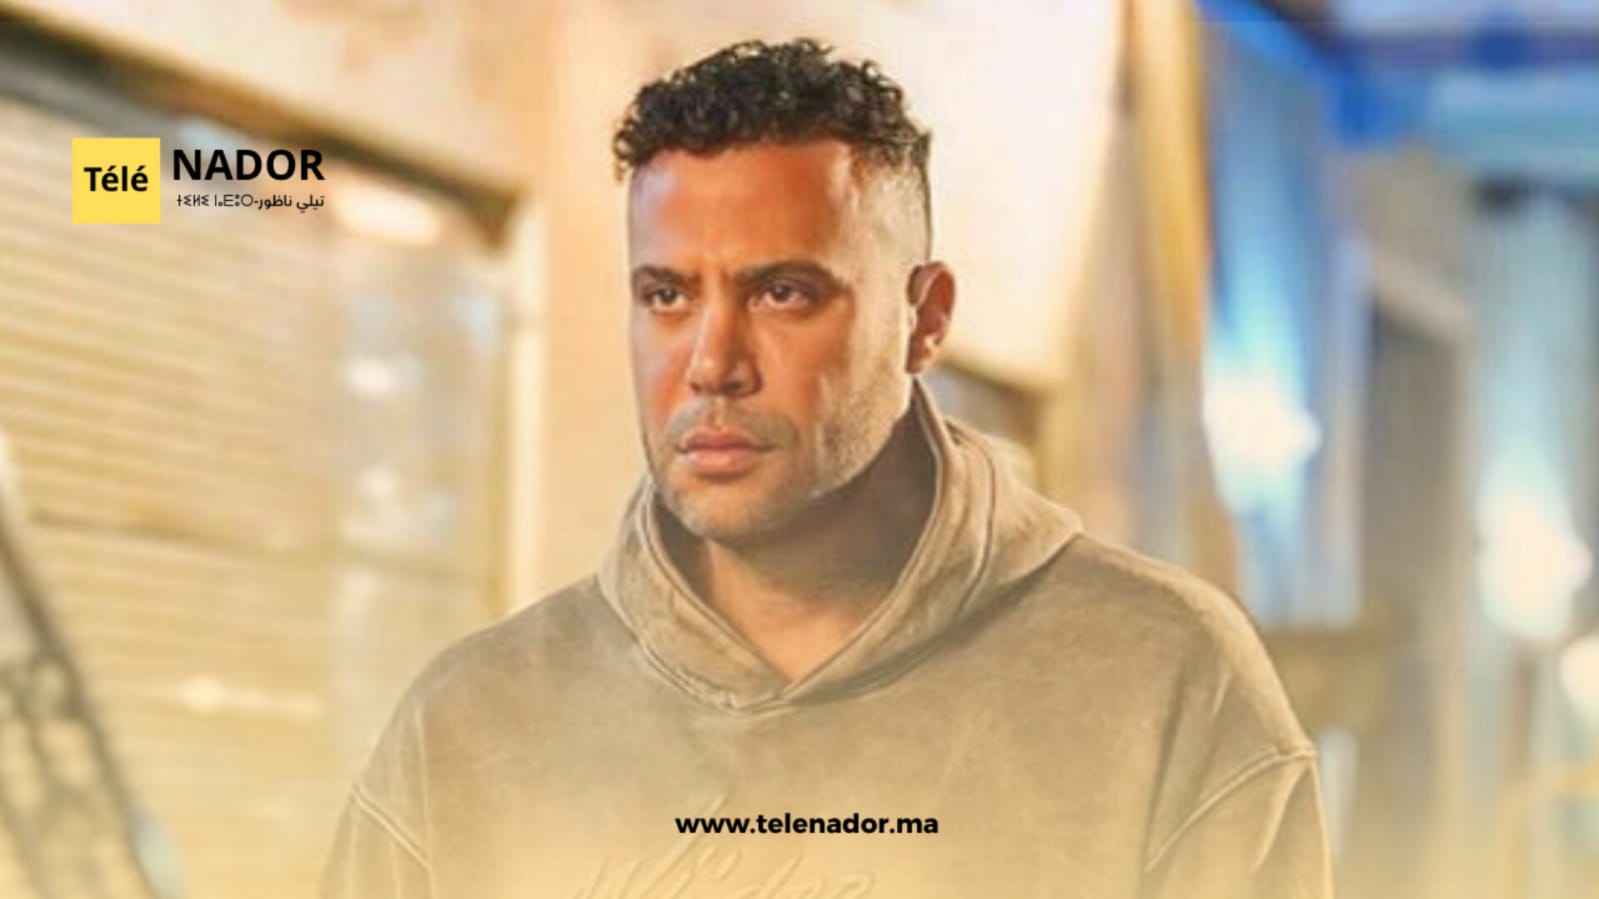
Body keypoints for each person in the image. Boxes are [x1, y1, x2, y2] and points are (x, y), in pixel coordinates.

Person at [320, 38, 1333, 899]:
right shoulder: (471, 727)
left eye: (783, 293)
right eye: (667, 295)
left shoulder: (1163, 682)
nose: (711, 363)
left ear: (924, 318)